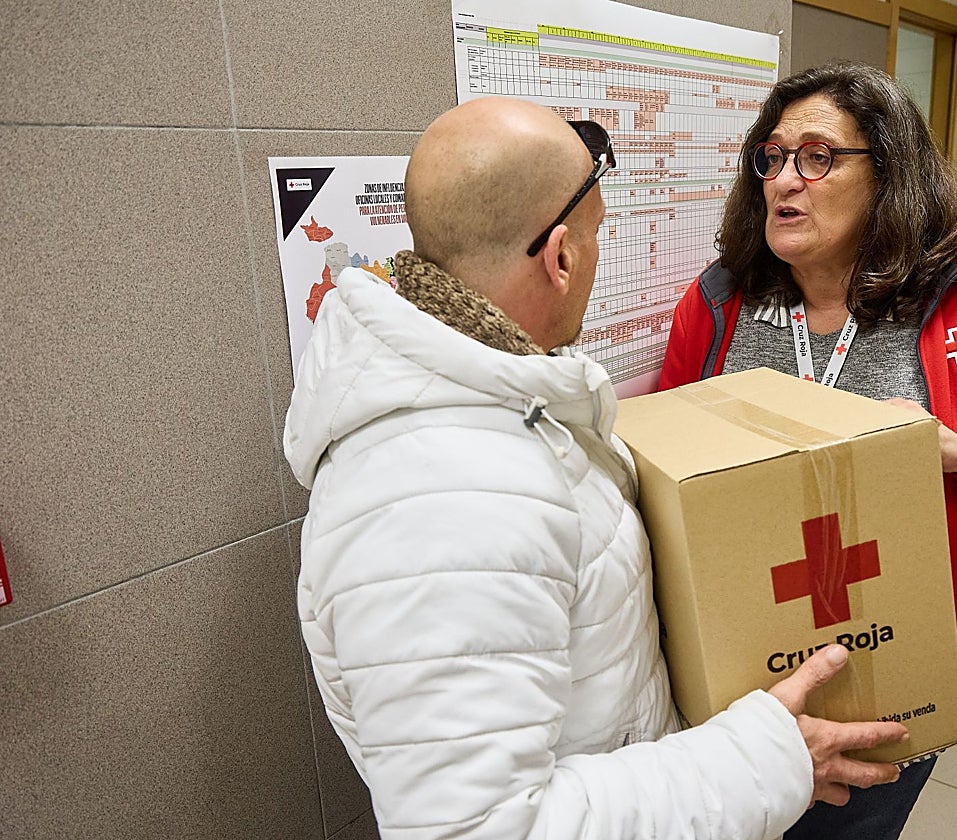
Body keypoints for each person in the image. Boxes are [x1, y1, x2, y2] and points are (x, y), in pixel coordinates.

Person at [284, 96, 909, 839]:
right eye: (597, 233)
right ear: (562, 256)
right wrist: (766, 759)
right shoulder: (438, 498)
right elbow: (476, 829)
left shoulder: (508, 396)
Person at [658, 61, 957, 840]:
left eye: (817, 156)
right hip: (739, 691)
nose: (782, 181)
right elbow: (662, 455)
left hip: (903, 670)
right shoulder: (720, 299)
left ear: (889, 172)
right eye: (769, 158)